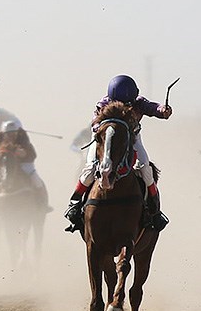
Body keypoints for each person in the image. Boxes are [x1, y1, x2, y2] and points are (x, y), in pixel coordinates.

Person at [64, 74, 172, 232]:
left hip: (132, 139)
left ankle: (154, 211)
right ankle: (74, 205)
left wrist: (163, 110)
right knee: (89, 170)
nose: (125, 106)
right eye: (120, 103)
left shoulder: (138, 102)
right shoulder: (103, 103)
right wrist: (102, 130)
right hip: (104, 140)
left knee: (145, 169)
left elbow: (152, 108)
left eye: (127, 104)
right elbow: (94, 123)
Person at [0, 119, 52, 211]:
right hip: (6, 161)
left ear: (17, 132)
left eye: (13, 134)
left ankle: (42, 202)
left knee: (34, 177)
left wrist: (17, 151)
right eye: (9, 134)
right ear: (4, 133)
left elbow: (24, 153)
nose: (11, 136)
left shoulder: (22, 137)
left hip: (25, 161)